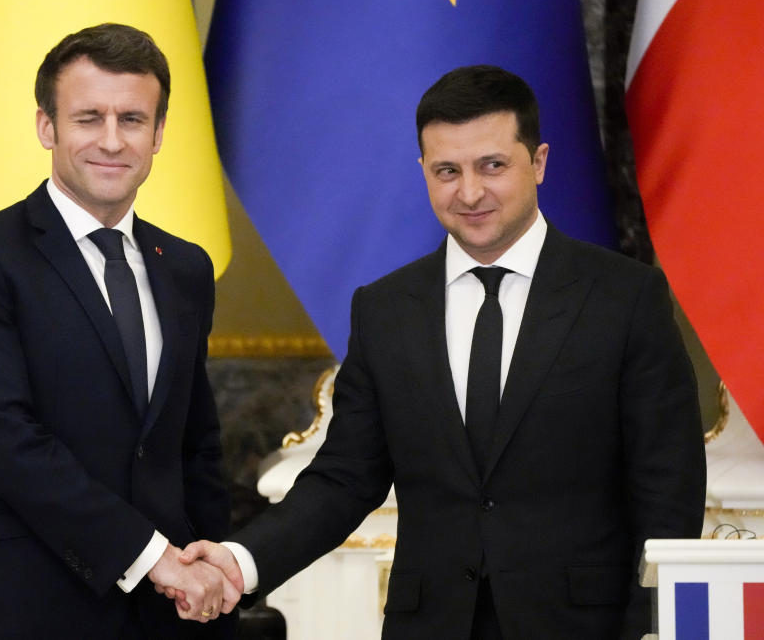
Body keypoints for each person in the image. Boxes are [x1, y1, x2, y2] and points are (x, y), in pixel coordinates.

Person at [177, 65, 707, 639]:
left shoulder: (625, 297)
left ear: (540, 162)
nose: (470, 192)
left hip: (584, 626)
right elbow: (344, 479)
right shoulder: (384, 310)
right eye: (447, 171)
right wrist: (241, 561)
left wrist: (649, 626)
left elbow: (667, 489)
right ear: (424, 172)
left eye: (493, 166)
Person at [0, 23, 237, 639]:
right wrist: (153, 559)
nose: (112, 141)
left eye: (133, 120)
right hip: (13, 608)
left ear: (159, 133)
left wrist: (208, 568)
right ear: (47, 127)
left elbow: (195, 444)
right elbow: (1, 440)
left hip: (163, 617)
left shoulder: (187, 267)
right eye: (89, 118)